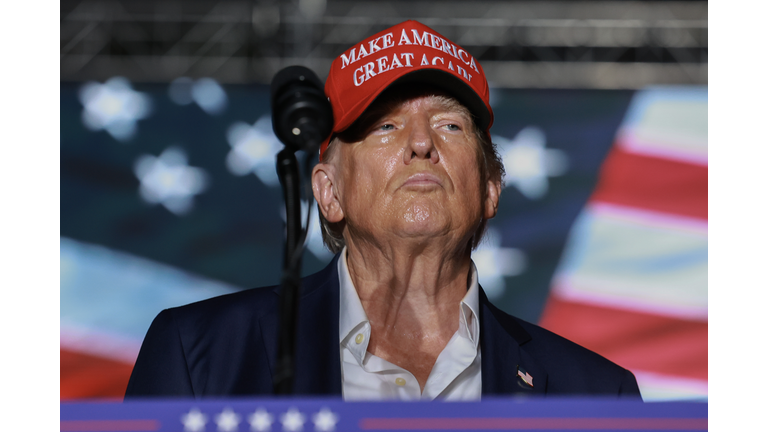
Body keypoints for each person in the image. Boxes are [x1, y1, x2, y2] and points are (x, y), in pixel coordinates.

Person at [125, 20, 641, 400]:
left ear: (490, 188)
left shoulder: (596, 395)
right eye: (385, 126)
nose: (421, 143)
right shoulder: (198, 356)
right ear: (329, 193)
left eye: (450, 125)